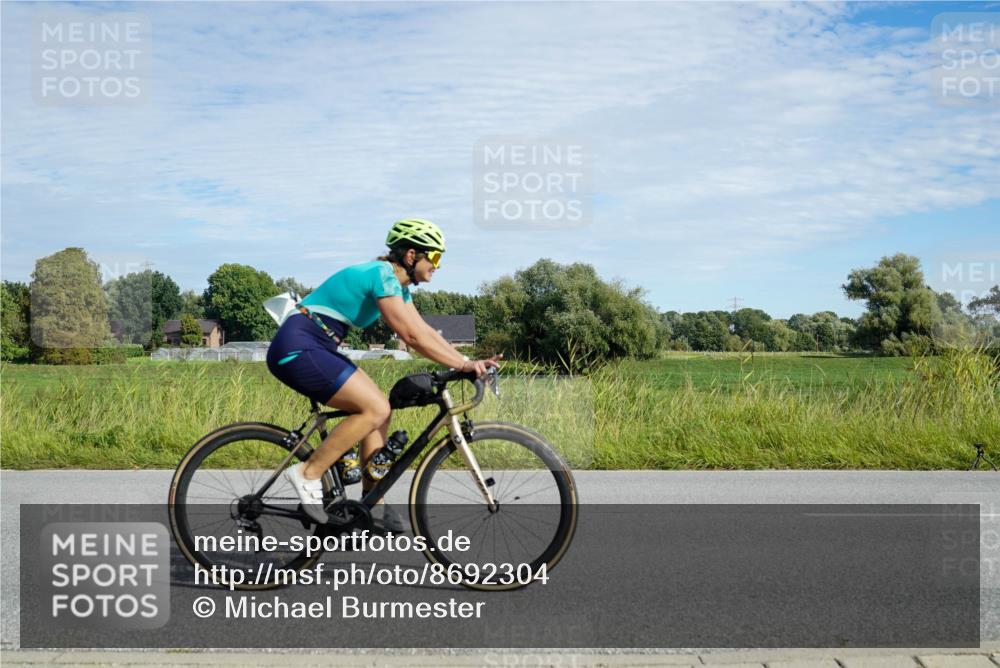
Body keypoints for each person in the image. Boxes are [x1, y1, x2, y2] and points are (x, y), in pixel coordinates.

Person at [265, 218, 502, 530]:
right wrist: (462, 366)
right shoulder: (382, 275)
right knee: (375, 408)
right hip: (298, 346)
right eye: (435, 257)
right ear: (411, 255)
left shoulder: (397, 286)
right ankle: (308, 473)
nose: (437, 265)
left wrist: (467, 361)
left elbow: (424, 331)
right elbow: (411, 337)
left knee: (381, 409)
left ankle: (372, 501)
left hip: (316, 345)